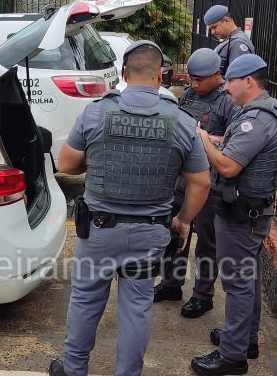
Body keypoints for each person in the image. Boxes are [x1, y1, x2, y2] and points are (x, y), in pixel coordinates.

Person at [48, 40, 211, 376]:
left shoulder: (96, 111)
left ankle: (75, 370)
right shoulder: (180, 121)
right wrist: (182, 221)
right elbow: (201, 182)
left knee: (85, 301)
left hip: (98, 232)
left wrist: (96, 162)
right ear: (161, 75)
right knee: (136, 309)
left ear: (123, 73)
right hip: (149, 233)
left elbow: (65, 163)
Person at [190, 54, 277, 375]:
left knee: (237, 283)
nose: (227, 87)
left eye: (231, 81)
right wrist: (219, 139)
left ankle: (232, 356)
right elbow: (240, 145)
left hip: (239, 214)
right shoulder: (263, 112)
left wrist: (205, 139)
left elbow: (228, 165)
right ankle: (245, 338)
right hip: (251, 212)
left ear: (248, 80)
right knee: (249, 277)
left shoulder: (256, 120)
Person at [154, 48, 238, 321]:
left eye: (200, 79)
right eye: (191, 79)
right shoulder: (188, 95)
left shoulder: (229, 102)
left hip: (210, 182)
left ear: (217, 75)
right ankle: (171, 284)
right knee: (176, 232)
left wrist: (204, 137)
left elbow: (234, 142)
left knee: (207, 243)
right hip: (183, 177)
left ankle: (203, 296)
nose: (195, 84)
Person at [203, 5, 255, 74]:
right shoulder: (231, 40)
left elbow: (238, 79)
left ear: (226, 20)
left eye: (214, 27)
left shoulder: (237, 44)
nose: (212, 32)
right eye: (211, 29)